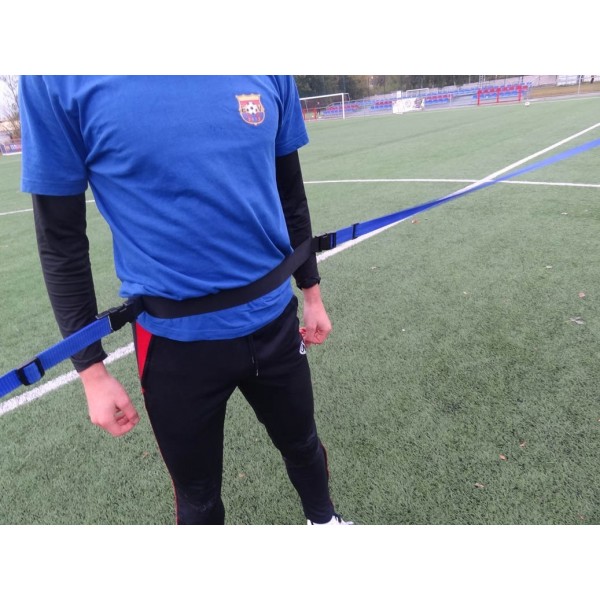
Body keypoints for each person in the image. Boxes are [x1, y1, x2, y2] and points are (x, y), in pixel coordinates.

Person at [19, 75, 352, 525]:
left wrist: (311, 292)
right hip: (174, 347)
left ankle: (325, 523)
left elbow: (290, 190)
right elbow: (60, 240)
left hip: (275, 320)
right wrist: (91, 371)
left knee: (303, 444)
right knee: (198, 498)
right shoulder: (55, 77)